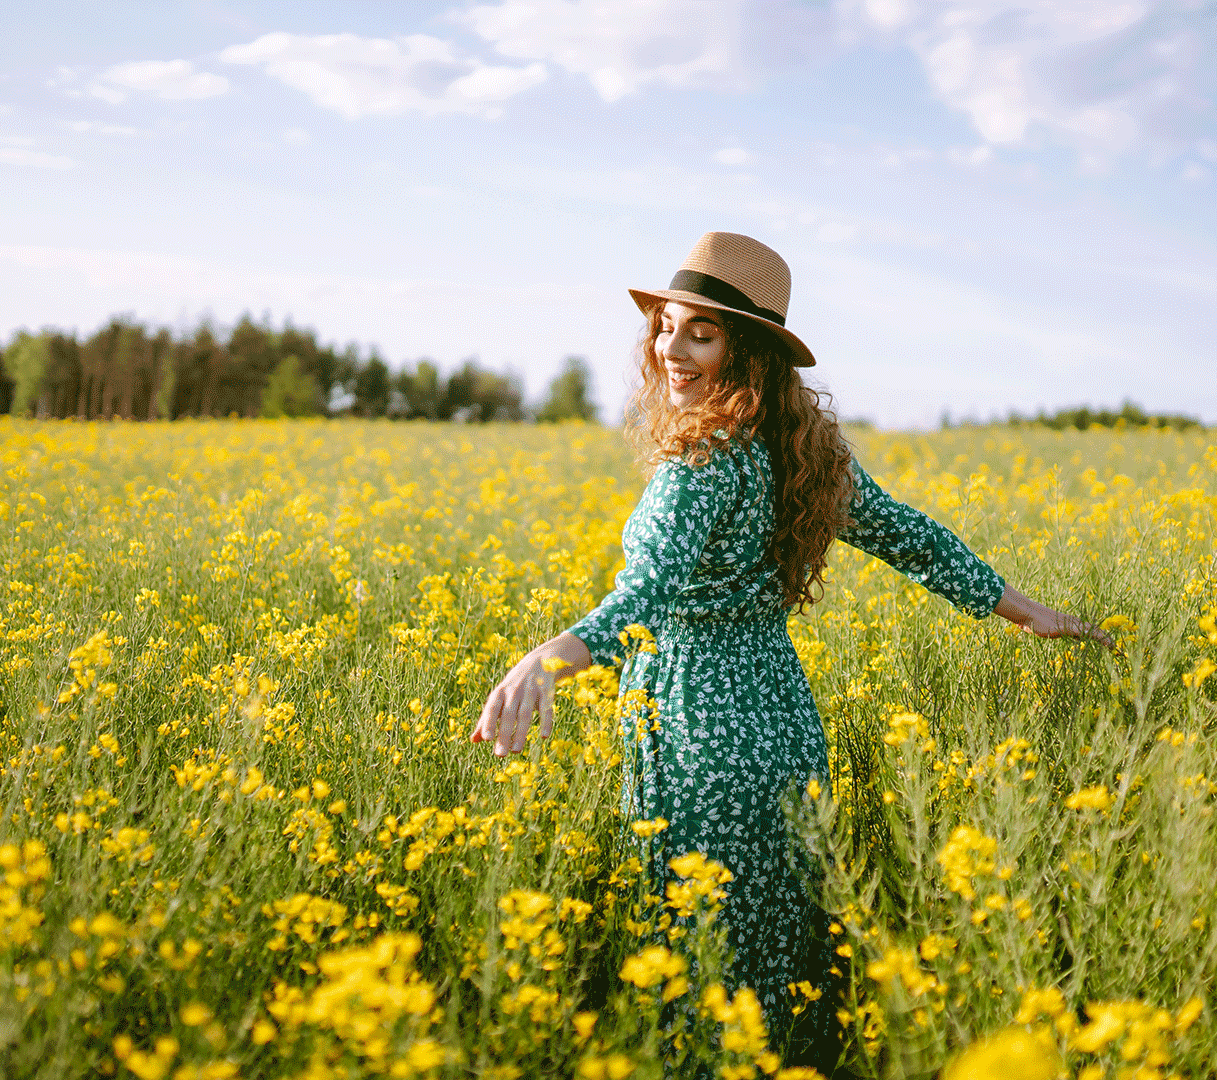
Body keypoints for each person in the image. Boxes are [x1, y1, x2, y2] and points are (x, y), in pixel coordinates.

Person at [469, 231, 1110, 1070]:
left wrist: (547, 656)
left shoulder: (701, 462)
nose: (672, 348)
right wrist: (1025, 610)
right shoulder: (801, 448)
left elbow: (647, 595)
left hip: (698, 736)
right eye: (668, 324)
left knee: (698, 977)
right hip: (780, 730)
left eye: (702, 332)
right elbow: (907, 535)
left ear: (751, 351)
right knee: (772, 969)